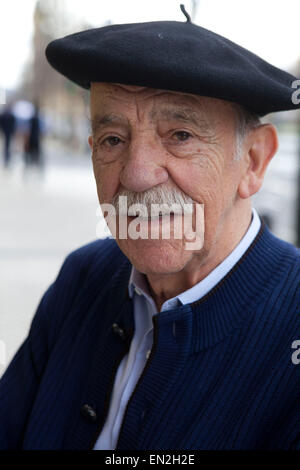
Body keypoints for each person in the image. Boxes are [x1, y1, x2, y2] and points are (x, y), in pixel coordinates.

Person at [0, 6, 299, 450]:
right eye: (113, 140)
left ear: (253, 162)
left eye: (180, 135)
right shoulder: (85, 275)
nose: (137, 174)